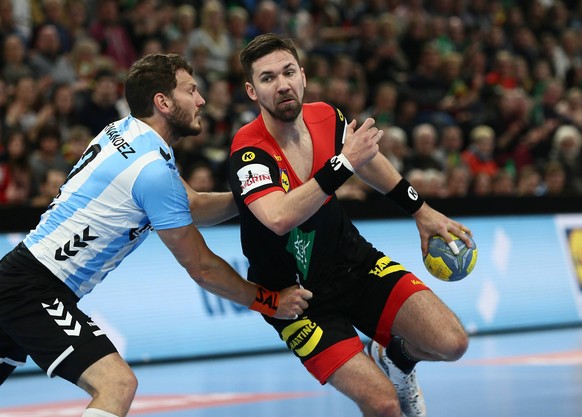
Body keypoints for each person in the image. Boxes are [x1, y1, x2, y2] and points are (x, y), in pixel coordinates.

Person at [0, 53, 312, 417]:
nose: (201, 101)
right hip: (34, 288)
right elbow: (203, 268)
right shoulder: (151, 170)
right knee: (116, 384)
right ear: (162, 103)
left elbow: (191, 204)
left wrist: (255, 196)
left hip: (19, 273)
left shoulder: (125, 133)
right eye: (191, 91)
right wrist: (269, 302)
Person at [228, 33, 471, 417]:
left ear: (303, 76)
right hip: (296, 300)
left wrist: (420, 211)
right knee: (383, 404)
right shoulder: (248, 151)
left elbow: (369, 161)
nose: (283, 84)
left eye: (289, 72)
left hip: (353, 263)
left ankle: (395, 357)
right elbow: (278, 218)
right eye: (268, 78)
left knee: (452, 343)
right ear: (252, 91)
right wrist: (343, 164)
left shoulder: (326, 115)